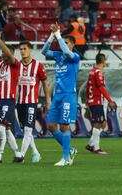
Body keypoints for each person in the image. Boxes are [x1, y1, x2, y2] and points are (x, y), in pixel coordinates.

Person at [41, 23, 79, 166]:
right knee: (51, 126)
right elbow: (44, 52)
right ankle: (70, 150)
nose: (63, 44)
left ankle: (65, 158)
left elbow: (67, 52)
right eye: (63, 41)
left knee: (64, 125)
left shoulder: (74, 57)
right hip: (57, 95)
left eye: (67, 42)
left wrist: (58, 35)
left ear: (73, 44)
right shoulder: (58, 56)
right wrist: (52, 35)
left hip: (68, 95)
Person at [0, 28, 24, 163]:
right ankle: (18, 155)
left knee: (0, 126)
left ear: (11, 54)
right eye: (2, 53)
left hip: (9, 100)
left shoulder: (15, 65)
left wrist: (0, 40)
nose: (3, 55)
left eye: (6, 53)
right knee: (6, 129)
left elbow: (10, 56)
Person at [17, 41, 51, 163]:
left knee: (28, 129)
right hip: (20, 102)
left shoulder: (38, 65)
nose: (22, 51)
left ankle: (21, 155)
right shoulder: (17, 65)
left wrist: (48, 100)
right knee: (24, 129)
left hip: (32, 102)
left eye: (25, 49)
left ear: (30, 50)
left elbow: (45, 83)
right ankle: (36, 152)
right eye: (20, 49)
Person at [85, 53, 117, 155]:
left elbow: (87, 86)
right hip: (96, 100)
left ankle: (91, 144)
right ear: (103, 61)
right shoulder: (98, 72)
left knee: (103, 123)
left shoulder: (92, 71)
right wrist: (110, 100)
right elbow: (101, 87)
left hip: (93, 100)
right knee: (98, 123)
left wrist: (87, 99)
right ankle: (96, 148)